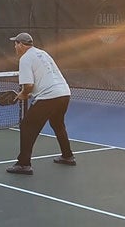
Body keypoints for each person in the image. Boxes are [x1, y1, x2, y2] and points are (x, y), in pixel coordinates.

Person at [5, 32, 76, 175]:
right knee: (57, 124)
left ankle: (24, 164)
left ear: (21, 45)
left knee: (27, 126)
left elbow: (29, 85)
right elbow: (45, 78)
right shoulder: (42, 53)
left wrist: (23, 95)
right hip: (64, 93)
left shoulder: (25, 59)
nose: (14, 47)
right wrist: (28, 93)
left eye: (15, 44)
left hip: (49, 96)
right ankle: (67, 156)